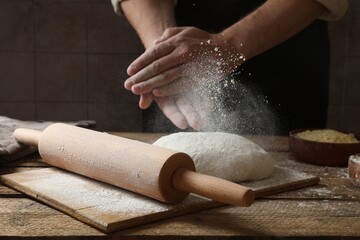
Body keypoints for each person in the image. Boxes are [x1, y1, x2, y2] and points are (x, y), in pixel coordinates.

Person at [111, 0, 348, 135]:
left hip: (286, 44)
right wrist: (164, 50)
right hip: (180, 67)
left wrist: (228, 46)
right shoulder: (172, 58)